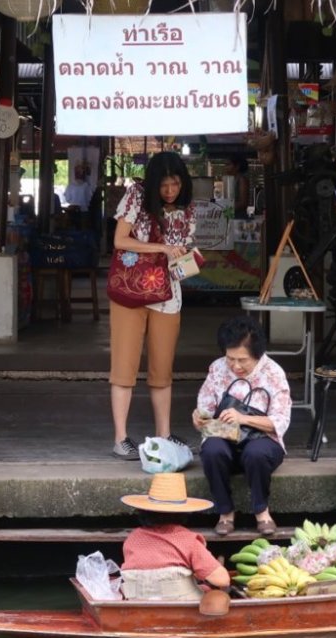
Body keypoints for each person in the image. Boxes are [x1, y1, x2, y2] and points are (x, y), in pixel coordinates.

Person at [110, 151, 195, 460]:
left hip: (168, 295)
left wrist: (187, 261)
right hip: (130, 293)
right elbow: (120, 240)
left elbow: (181, 260)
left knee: (163, 368)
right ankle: (120, 438)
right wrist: (161, 247)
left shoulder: (187, 212)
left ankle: (164, 433)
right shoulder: (135, 197)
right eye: (164, 185)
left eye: (175, 184)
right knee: (124, 365)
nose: (170, 190)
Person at [193, 315, 292, 536]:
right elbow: (206, 405)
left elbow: (281, 421)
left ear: (257, 355)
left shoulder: (273, 373)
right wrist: (199, 417)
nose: (235, 366)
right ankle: (225, 512)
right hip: (225, 438)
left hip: (261, 441)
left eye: (243, 360)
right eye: (230, 358)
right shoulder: (217, 369)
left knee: (256, 454)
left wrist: (244, 418)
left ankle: (261, 511)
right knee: (211, 450)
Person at [120, 472, 230, 601]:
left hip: (137, 603)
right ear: (183, 513)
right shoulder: (188, 540)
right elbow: (222, 580)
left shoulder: (132, 538)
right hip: (180, 605)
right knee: (214, 595)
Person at [225, 154, 251, 219]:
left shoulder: (242, 179)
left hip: (239, 218)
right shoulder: (232, 179)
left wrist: (226, 208)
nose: (226, 167)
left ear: (237, 166)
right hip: (232, 216)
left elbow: (243, 202)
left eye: (228, 165)